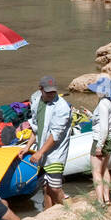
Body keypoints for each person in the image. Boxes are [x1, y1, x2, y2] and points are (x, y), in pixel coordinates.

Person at [28, 75, 72, 209]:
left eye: (54, 91)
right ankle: (48, 213)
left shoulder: (62, 107)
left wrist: (40, 152)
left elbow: (55, 135)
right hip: (43, 151)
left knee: (55, 187)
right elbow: (35, 128)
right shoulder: (36, 102)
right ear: (40, 89)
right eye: (48, 92)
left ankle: (72, 211)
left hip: (56, 153)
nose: (52, 94)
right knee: (45, 187)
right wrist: (27, 147)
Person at [87, 75, 111, 206]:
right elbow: (110, 122)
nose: (95, 91)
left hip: (103, 139)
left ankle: (100, 201)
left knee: (96, 171)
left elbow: (104, 128)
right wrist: (90, 115)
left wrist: (99, 145)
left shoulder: (102, 104)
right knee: (104, 169)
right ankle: (107, 198)